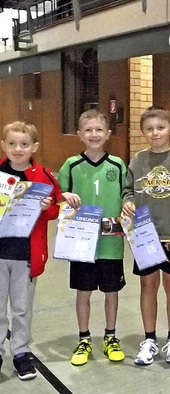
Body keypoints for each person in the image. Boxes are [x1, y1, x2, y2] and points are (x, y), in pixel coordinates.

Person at [122, 107, 170, 366]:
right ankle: (149, 339)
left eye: (160, 127)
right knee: (147, 286)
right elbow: (127, 191)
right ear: (143, 132)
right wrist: (128, 202)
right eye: (149, 129)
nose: (155, 133)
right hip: (144, 235)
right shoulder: (138, 160)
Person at [57, 110, 128, 366]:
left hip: (111, 245)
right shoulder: (71, 165)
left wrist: (128, 205)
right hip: (81, 245)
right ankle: (84, 338)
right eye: (88, 130)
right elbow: (58, 197)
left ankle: (111, 336)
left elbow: (128, 195)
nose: (94, 134)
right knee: (83, 292)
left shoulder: (118, 165)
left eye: (99, 129)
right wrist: (64, 197)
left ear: (108, 134)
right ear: (79, 135)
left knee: (111, 292)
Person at [0, 121, 61, 380]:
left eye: (24, 144)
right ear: (4, 145)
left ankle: (21, 353)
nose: (17, 149)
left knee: (22, 308)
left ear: (34, 147)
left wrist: (47, 206)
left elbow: (55, 209)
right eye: (12, 144)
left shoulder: (43, 176)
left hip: (26, 254)